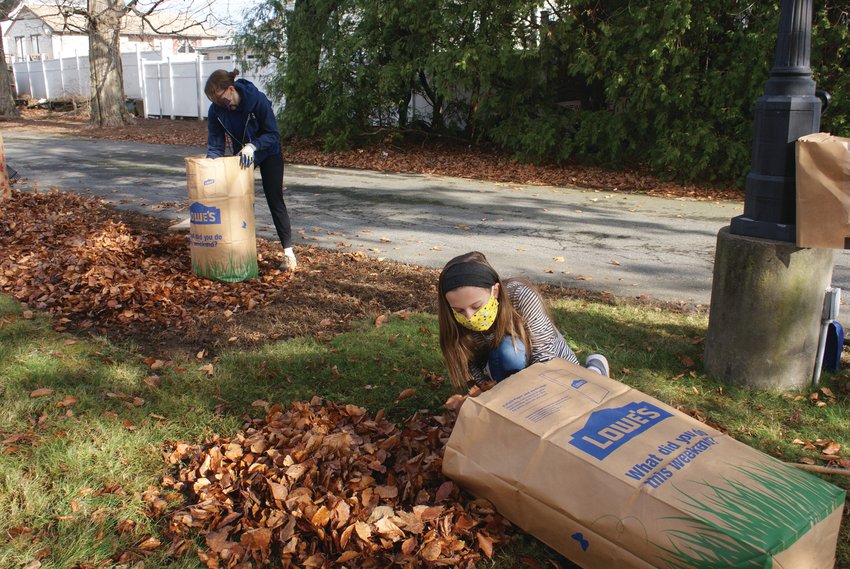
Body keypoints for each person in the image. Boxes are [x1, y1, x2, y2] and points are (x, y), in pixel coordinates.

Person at [438, 251, 609, 397]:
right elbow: (469, 364)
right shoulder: (453, 316)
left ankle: (594, 372)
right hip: (505, 368)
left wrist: (533, 398)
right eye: (459, 310)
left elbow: (545, 357)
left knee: (509, 351)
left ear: (495, 290)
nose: (468, 317)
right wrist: (484, 393)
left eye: (476, 306)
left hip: (555, 366)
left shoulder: (521, 296)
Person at [204, 69, 297, 271]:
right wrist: (211, 166)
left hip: (268, 151)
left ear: (230, 89)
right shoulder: (216, 111)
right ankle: (242, 250)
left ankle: (288, 253)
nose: (219, 105)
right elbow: (215, 146)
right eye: (215, 102)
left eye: (220, 99)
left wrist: (253, 145)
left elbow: (273, 134)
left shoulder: (257, 101)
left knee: (275, 199)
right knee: (240, 200)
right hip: (243, 156)